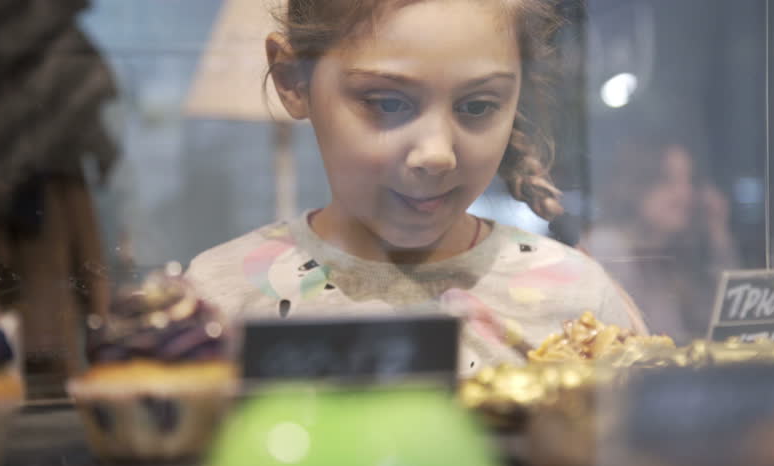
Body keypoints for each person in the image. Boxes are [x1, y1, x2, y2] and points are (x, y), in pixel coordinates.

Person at [187, 0, 645, 376]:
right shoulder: (211, 309)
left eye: (477, 106)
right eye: (388, 102)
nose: (436, 154)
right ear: (293, 81)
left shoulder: (578, 302)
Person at [585, 129, 738, 343]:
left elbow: (720, 322)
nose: (685, 193)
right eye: (668, 181)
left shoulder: (668, 253)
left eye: (688, 180)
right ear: (636, 186)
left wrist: (717, 235)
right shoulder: (608, 247)